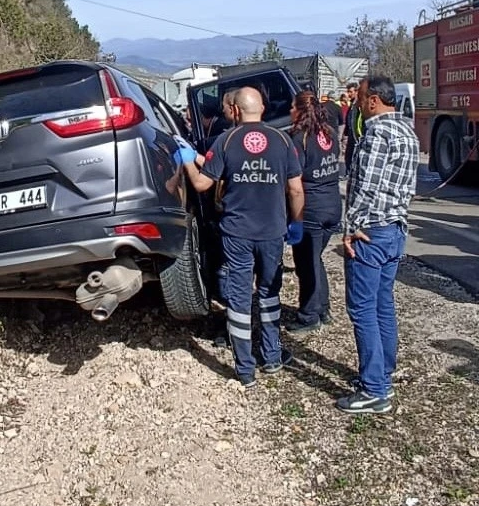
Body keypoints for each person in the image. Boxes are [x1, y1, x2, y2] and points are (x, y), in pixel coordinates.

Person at [174, 87, 305, 387]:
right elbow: (296, 189)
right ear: (261, 108)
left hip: (236, 234)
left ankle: (245, 369)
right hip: (273, 232)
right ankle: (271, 356)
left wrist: (185, 161)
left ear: (235, 111)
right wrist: (295, 223)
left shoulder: (226, 140)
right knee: (270, 294)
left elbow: (203, 183)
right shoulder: (284, 141)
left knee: (240, 299)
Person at [337, 75, 419, 414]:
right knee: (383, 302)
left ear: (373, 101)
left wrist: (351, 227)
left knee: (362, 308)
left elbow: (365, 187)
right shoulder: (407, 131)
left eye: (360, 96)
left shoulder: (377, 133)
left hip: (370, 231)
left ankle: (375, 389)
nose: (355, 101)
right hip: (395, 229)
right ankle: (383, 370)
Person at [285, 91, 342, 333]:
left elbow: (294, 182)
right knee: (315, 259)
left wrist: (295, 219)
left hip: (312, 208)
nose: (289, 111)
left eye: (291, 107)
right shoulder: (329, 134)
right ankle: (323, 308)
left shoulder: (299, 139)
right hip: (333, 205)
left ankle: (309, 315)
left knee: (306, 262)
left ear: (300, 110)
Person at [342, 82, 362, 176]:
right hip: (351, 134)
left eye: (350, 92)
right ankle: (348, 173)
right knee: (348, 155)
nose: (349, 94)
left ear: (356, 92)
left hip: (357, 135)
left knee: (354, 156)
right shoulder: (352, 104)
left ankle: (352, 174)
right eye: (348, 92)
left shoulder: (359, 105)